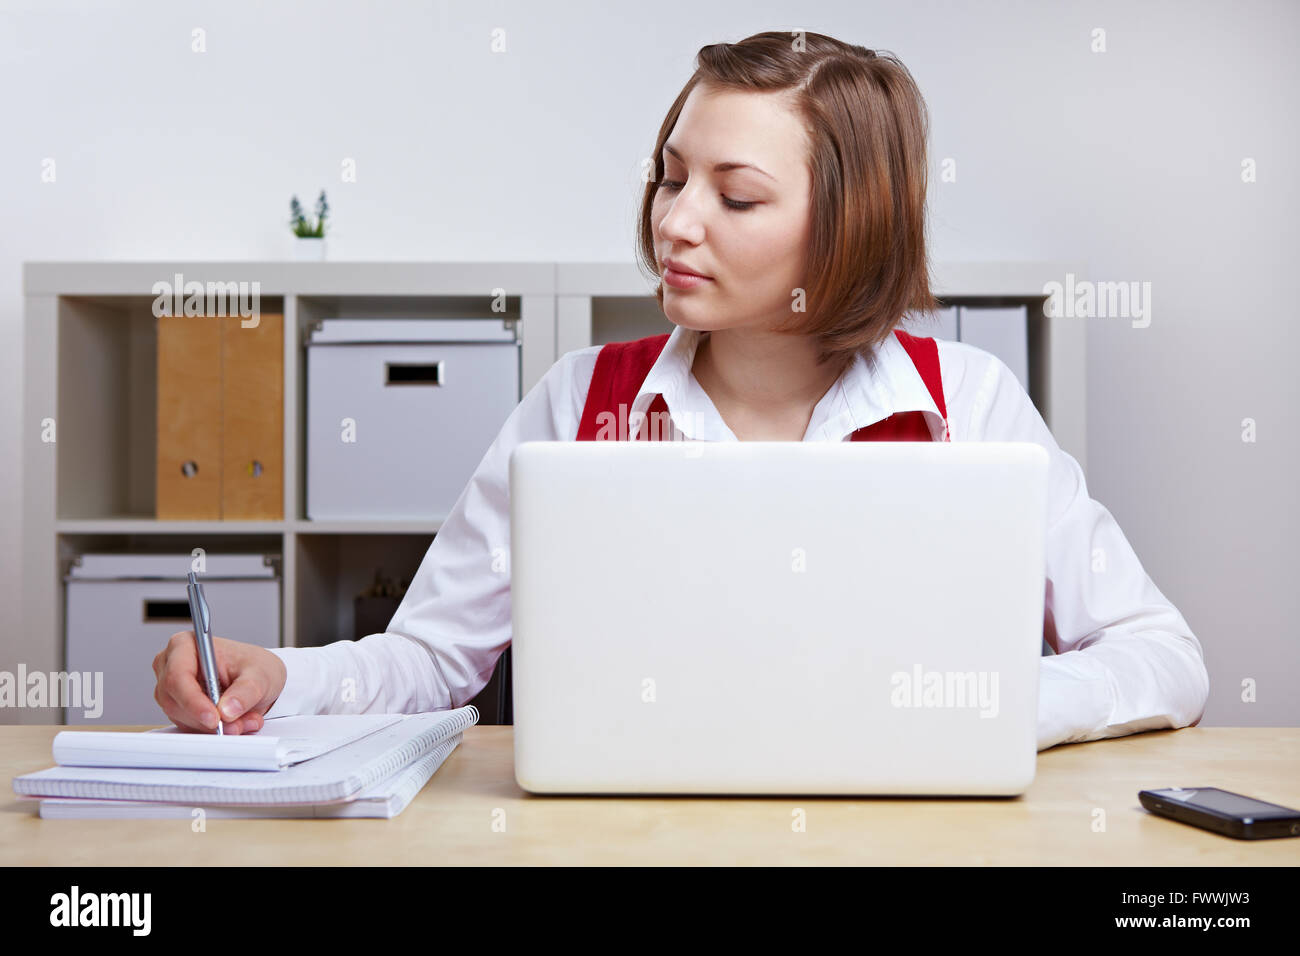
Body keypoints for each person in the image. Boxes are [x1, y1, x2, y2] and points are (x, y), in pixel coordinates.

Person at [152, 32, 1208, 751]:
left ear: (852, 224)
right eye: (669, 176)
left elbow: (1163, 656)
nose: (676, 220)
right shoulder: (582, 402)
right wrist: (285, 678)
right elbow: (433, 658)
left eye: (734, 194)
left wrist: (979, 704)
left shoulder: (965, 405)